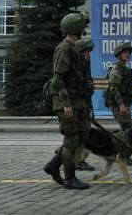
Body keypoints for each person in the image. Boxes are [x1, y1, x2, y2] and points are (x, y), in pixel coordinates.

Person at [44, 12, 91, 190]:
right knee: (71, 139)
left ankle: (53, 165)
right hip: (67, 102)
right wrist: (66, 105)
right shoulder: (64, 49)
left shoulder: (74, 48)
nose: (84, 30)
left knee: (83, 135)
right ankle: (69, 178)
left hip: (77, 101)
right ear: (76, 29)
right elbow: (58, 79)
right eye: (82, 27)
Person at [105, 42, 132, 166]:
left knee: (127, 129)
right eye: (124, 52)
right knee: (127, 130)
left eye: (128, 53)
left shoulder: (127, 70)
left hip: (125, 104)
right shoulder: (116, 69)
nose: (127, 55)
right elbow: (113, 88)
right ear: (119, 54)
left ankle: (117, 153)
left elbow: (129, 90)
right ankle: (124, 156)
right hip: (117, 104)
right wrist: (121, 105)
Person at [74, 39, 96, 171]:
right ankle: (74, 160)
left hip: (85, 106)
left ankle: (79, 160)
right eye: (86, 51)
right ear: (80, 53)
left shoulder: (85, 68)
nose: (89, 54)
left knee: (84, 134)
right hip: (77, 107)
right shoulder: (76, 69)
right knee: (79, 135)